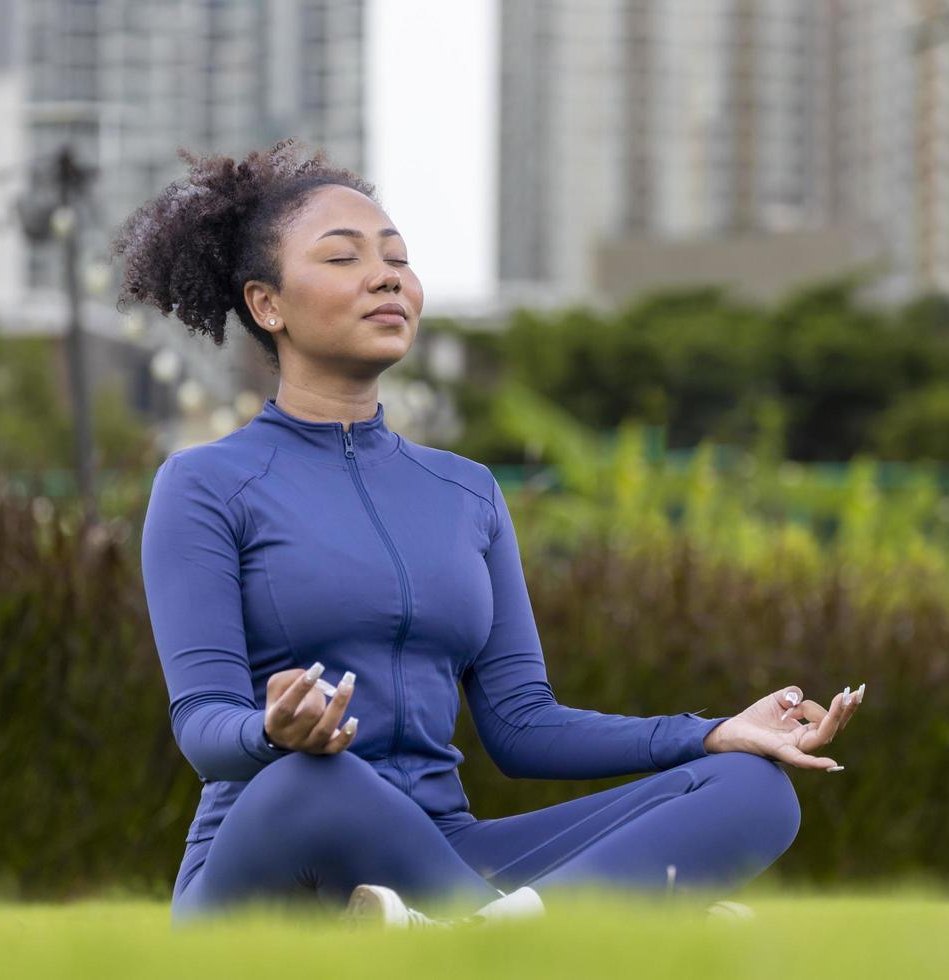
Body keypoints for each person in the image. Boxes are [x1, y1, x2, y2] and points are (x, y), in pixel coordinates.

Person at [115, 138, 865, 929]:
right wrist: (268, 731)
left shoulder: (465, 492)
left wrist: (715, 733)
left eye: (398, 260)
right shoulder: (203, 484)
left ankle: (476, 940)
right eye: (344, 259)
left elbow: (522, 726)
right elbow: (203, 728)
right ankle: (578, 934)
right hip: (275, 858)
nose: (387, 277)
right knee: (314, 778)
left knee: (753, 787)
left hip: (445, 863)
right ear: (267, 305)